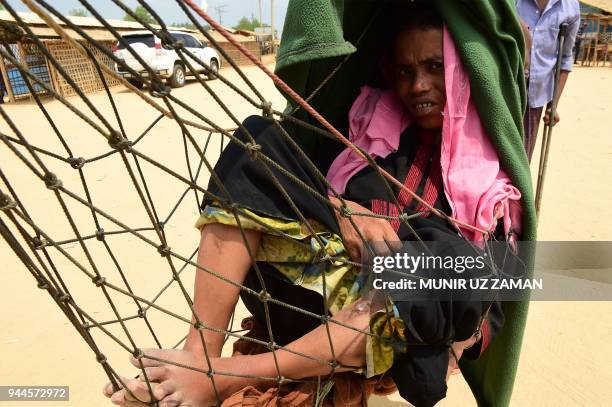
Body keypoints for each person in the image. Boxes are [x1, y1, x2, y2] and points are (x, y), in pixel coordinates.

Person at [103, 3, 522, 406]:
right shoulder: (368, 128)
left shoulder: (493, 189)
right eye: (405, 71)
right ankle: (199, 353)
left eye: (435, 67)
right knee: (258, 140)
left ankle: (221, 376)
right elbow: (308, 186)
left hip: (395, 330)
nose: (418, 86)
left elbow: (483, 303)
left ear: (463, 71)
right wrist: (344, 211)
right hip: (308, 283)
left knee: (442, 259)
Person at [515, 0, 581, 162]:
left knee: (522, 158)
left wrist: (553, 104)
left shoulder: (570, 7)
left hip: (535, 96)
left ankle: (519, 188)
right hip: (507, 87)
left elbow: (564, 58)